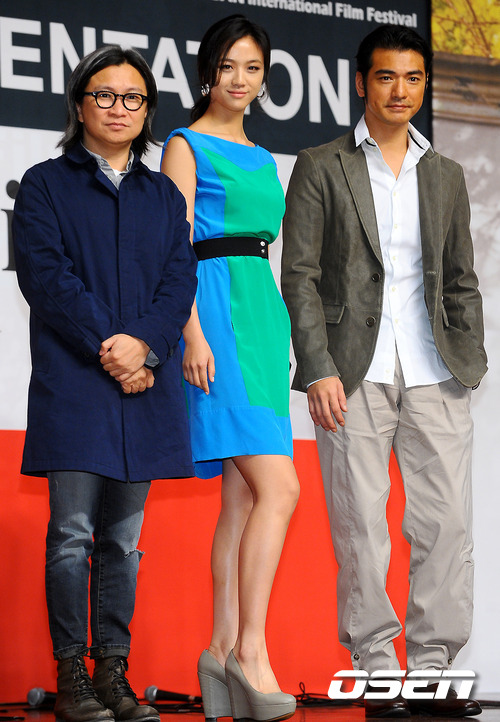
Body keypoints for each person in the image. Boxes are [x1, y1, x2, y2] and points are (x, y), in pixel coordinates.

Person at [282, 24, 487, 719]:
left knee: (447, 525)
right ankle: (375, 667)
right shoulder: (321, 164)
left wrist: (470, 357)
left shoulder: (445, 173)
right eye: (386, 76)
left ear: (425, 85)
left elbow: (460, 278)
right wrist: (317, 367)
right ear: (361, 83)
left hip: (436, 371)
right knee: (361, 527)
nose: (401, 90)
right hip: (351, 373)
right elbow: (300, 275)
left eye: (414, 78)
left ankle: (432, 670)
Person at [13, 45, 197, 722]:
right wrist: (113, 348)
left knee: (123, 543)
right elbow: (47, 279)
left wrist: (145, 346)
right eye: (104, 95)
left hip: (144, 387)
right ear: (79, 103)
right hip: (77, 385)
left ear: (148, 110)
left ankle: (113, 674)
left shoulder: (162, 194)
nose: (119, 108)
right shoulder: (44, 185)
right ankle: (72, 677)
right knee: (71, 535)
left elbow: (179, 281)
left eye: (133, 97)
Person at [161, 14, 299, 722]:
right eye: (227, 66)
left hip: (263, 318)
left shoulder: (264, 155)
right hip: (215, 316)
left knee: (242, 499)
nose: (239, 79)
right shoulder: (184, 145)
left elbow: (266, 246)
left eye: (252, 68)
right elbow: (173, 247)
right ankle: (251, 652)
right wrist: (190, 333)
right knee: (282, 488)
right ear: (206, 72)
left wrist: (281, 331)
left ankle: (218, 650)